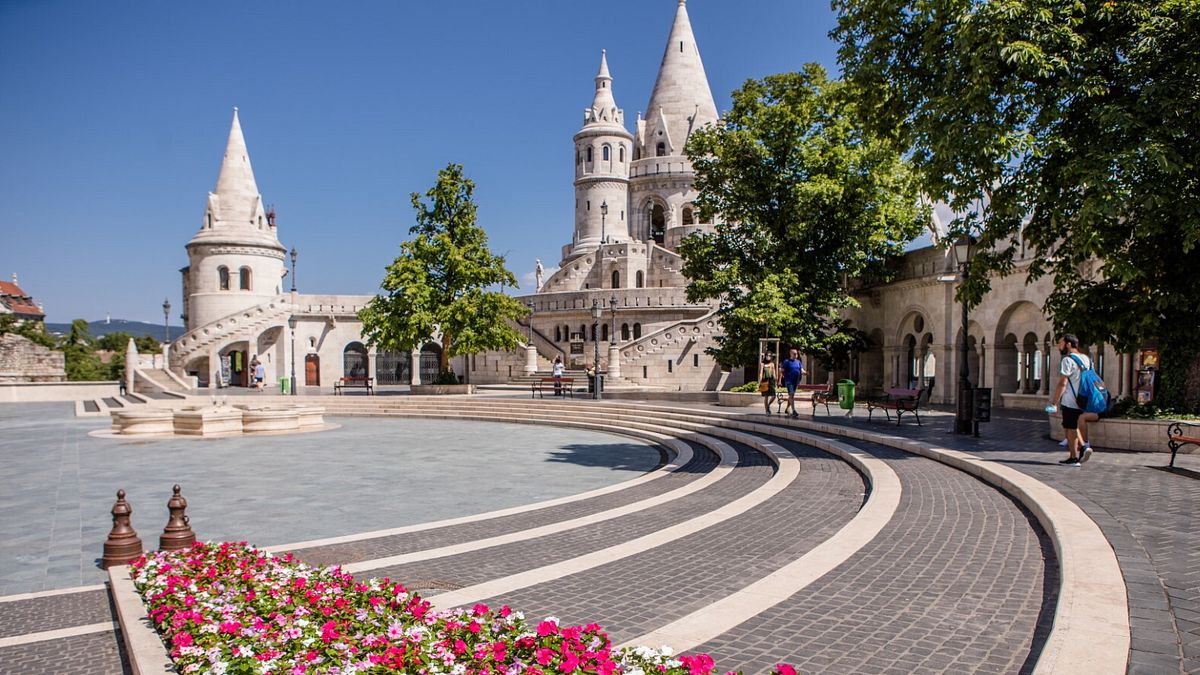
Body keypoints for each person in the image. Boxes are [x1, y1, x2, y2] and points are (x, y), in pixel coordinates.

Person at [1048, 334, 1094, 466]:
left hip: (1070, 400)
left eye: (1061, 343)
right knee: (1071, 425)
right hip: (1083, 398)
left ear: (1068, 344)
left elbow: (1063, 383)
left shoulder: (1067, 360)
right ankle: (1076, 453)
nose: (1059, 346)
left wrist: (1054, 402)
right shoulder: (1086, 358)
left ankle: (1077, 455)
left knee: (1070, 427)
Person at [780, 348, 806, 419]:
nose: (796, 355)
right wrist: (780, 380)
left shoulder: (798, 362)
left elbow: (801, 370)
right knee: (791, 394)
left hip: (796, 381)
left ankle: (787, 408)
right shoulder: (787, 362)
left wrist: (805, 373)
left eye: (796, 354)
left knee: (791, 395)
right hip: (789, 381)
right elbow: (782, 370)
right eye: (794, 354)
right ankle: (794, 410)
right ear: (790, 354)